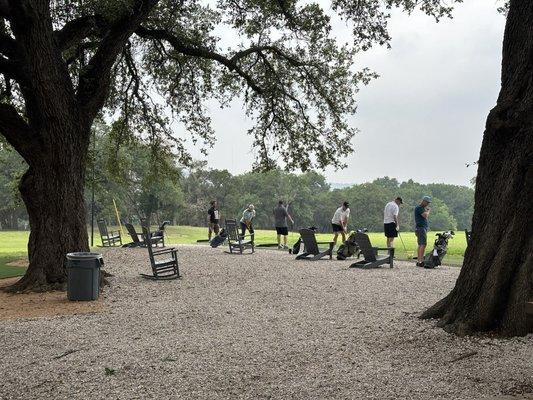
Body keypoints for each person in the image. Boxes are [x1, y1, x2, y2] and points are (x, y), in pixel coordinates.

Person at [414, 195, 432, 267]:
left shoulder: (421, 208)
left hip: (420, 228)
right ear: (423, 201)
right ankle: (421, 260)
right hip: (421, 228)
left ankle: (419, 260)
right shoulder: (419, 208)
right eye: (427, 202)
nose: (428, 204)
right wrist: (428, 211)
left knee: (420, 244)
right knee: (423, 244)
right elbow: (425, 216)